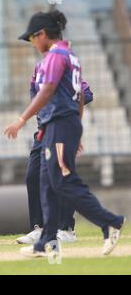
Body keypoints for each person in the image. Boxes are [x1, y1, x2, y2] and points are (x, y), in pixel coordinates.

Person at [5, 10, 125, 257]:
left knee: (63, 181)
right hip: (58, 125)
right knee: (47, 183)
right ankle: (46, 242)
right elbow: (79, 96)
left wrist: (21, 119)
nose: (32, 43)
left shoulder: (55, 56)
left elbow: (48, 90)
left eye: (32, 38)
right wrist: (76, 127)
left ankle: (109, 221)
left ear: (42, 34)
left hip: (60, 124)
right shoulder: (69, 55)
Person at [16, 58, 94, 245]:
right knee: (32, 176)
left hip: (62, 130)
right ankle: (39, 228)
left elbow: (87, 93)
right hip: (44, 131)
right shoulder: (38, 69)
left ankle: (66, 228)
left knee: (62, 176)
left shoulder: (65, 67)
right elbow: (35, 98)